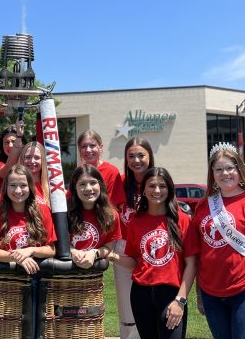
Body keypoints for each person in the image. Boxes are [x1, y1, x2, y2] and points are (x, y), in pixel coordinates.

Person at [184, 142, 245, 339]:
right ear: (212, 173)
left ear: (240, 169)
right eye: (219, 169)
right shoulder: (205, 205)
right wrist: (199, 294)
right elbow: (200, 254)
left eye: (230, 167)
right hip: (212, 295)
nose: (225, 173)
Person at [108, 167, 191, 339]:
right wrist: (111, 256)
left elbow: (192, 264)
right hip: (141, 295)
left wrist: (180, 300)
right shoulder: (135, 223)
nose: (157, 191)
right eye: (152, 186)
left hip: (171, 294)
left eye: (163, 186)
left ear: (170, 189)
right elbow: (135, 262)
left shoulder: (181, 220)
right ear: (144, 190)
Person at [115, 137, 155, 339]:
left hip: (152, 246)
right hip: (123, 247)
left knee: (151, 298)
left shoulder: (157, 181)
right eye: (131, 156)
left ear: (150, 157)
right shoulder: (120, 182)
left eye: (141, 155)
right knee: (126, 301)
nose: (136, 160)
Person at [0, 164, 56, 275]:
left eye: (23, 185)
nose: (18, 191)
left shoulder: (43, 210)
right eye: (13, 185)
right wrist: (19, 258)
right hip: (10, 279)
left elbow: (52, 249)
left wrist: (30, 250)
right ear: (5, 187)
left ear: (30, 187)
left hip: (39, 277)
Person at [67, 165, 121, 269]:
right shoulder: (65, 213)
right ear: (74, 188)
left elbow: (108, 248)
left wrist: (94, 253)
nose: (88, 188)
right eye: (82, 184)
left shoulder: (112, 215)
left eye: (93, 183)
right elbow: (58, 243)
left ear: (100, 185)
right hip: (66, 274)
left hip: (94, 277)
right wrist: (73, 251)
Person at [0, 119, 26, 207]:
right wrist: (19, 136)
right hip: (7, 213)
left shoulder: (31, 164)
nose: (10, 145)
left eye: (14, 141)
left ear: (23, 144)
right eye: (6, 143)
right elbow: (9, 169)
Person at [19, 141, 50, 206]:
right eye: (28, 157)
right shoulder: (15, 185)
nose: (32, 161)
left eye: (37, 158)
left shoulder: (52, 188)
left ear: (43, 160)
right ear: (22, 159)